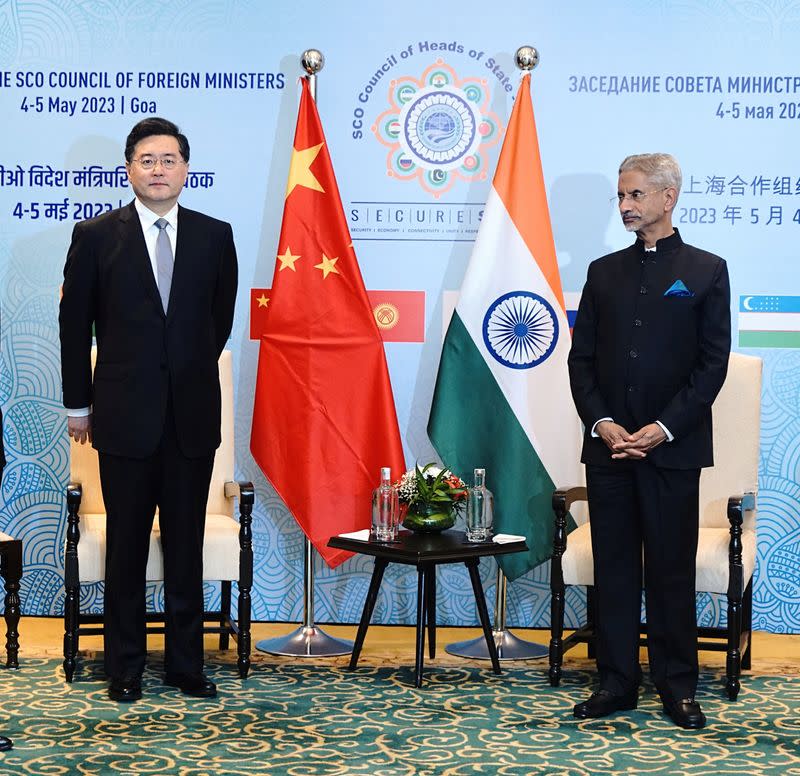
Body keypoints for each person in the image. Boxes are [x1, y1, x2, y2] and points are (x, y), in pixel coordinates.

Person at [59, 117, 238, 702]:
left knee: (184, 543)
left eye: (168, 159)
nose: (157, 170)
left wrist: (181, 372)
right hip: (121, 417)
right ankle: (125, 667)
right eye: (146, 160)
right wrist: (77, 405)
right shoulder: (95, 235)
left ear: (185, 168)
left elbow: (218, 323)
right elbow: (73, 328)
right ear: (129, 168)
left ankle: (187, 665)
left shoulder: (216, 236)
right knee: (128, 545)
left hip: (190, 418)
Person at [567, 153, 731, 729]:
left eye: (635, 195)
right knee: (613, 568)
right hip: (609, 447)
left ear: (668, 197)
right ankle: (616, 682)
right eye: (620, 196)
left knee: (669, 568)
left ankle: (677, 685)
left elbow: (712, 367)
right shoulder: (603, 270)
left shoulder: (707, 270)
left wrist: (661, 429)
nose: (625, 206)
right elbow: (580, 360)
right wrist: (603, 423)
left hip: (673, 449)